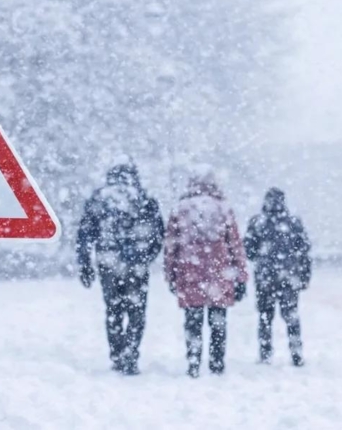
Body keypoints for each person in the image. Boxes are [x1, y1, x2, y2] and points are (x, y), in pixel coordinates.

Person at [76, 162, 164, 375]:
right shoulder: (144, 198)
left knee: (113, 310)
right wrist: (146, 256)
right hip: (136, 265)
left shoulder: (100, 198)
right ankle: (131, 355)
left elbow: (85, 233)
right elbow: (158, 233)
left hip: (108, 263)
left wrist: (85, 263)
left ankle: (117, 355)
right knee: (136, 312)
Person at [164, 170, 248, 378]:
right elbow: (235, 245)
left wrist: (171, 274)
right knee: (218, 322)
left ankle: (193, 361)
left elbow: (171, 246)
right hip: (219, 274)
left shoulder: (181, 209)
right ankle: (217, 363)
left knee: (193, 321)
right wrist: (240, 275)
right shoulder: (223, 208)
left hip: (189, 273)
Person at [244, 188, 311, 366]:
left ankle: (265, 353)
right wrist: (304, 276)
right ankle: (296, 353)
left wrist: (263, 258)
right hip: (288, 276)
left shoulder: (257, 223)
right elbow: (304, 251)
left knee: (265, 317)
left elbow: (249, 251)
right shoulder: (294, 223)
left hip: (265, 278)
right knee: (291, 316)